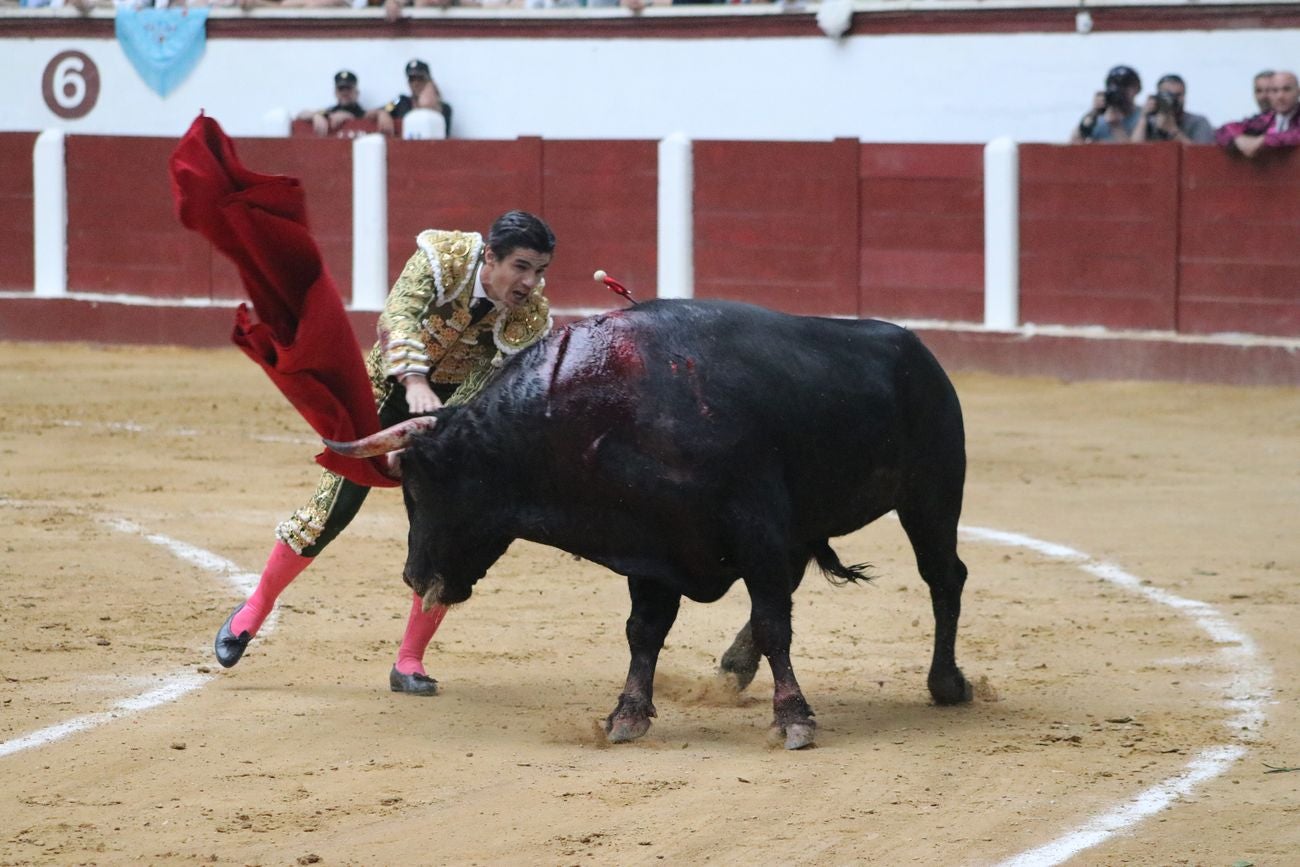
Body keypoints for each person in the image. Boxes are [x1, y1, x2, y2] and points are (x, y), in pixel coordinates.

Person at [214, 210, 557, 695]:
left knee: (444, 535)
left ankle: (410, 660)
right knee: (330, 511)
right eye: (521, 267)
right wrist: (414, 385)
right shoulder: (446, 256)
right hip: (383, 392)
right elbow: (398, 316)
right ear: (491, 256)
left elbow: (486, 385)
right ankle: (255, 608)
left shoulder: (531, 317)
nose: (530, 282)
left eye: (539, 271)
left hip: (448, 420)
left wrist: (426, 436)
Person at [1214, 70, 1300, 158]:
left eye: (1287, 89)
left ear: (1298, 91)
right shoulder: (1266, 119)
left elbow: (1296, 135)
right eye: (1275, 91)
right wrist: (1238, 139)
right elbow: (1223, 130)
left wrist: (1264, 140)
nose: (1280, 96)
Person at [367, 59, 453, 137]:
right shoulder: (400, 101)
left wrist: (428, 104)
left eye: (420, 79)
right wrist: (382, 113)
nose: (415, 83)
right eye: (412, 79)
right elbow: (374, 112)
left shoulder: (444, 108)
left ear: (429, 81)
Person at [1071, 65, 1144, 143]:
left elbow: (1137, 153)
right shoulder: (1098, 119)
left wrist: (1116, 127)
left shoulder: (1143, 117)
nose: (1120, 91)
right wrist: (1093, 113)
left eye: (1125, 86)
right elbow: (1073, 146)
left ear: (1137, 89)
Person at [1133, 74, 1214, 144]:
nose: (1172, 99)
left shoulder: (1198, 122)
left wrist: (1173, 131)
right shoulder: (1149, 122)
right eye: (1167, 94)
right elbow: (1133, 151)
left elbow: (1201, 155)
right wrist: (1143, 118)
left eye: (1178, 95)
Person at [294, 70, 365, 136]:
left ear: (357, 92)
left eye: (348, 89)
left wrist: (351, 117)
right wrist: (315, 115)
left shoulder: (363, 114)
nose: (344, 93)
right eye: (341, 89)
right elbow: (300, 115)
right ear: (335, 92)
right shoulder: (329, 112)